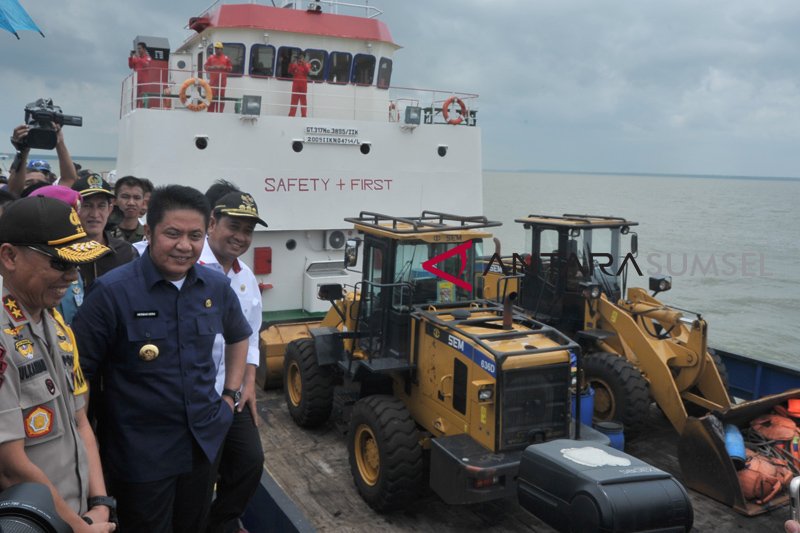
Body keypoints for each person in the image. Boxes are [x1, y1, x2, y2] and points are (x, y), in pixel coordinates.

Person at [72, 185, 252, 533]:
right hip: (139, 456)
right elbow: (79, 376)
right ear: (148, 231)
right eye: (173, 234)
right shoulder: (111, 293)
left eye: (195, 235)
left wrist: (229, 396)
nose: (184, 246)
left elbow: (239, 335)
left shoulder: (215, 288)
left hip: (202, 446)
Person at [0, 196, 115, 532]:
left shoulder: (56, 324)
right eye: (60, 264)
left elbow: (81, 421)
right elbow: (9, 466)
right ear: (9, 256)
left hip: (76, 514)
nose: (71, 276)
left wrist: (100, 505)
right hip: (33, 521)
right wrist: (81, 529)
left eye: (76, 265)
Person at [201, 186, 267, 533]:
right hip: (196, 393)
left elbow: (252, 334)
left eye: (248, 230)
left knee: (250, 461)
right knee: (202, 470)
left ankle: (222, 520)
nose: (241, 237)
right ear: (212, 222)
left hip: (233, 389)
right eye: (234, 227)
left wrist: (250, 384)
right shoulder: (191, 267)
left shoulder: (245, 278)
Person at [72, 174, 138, 287]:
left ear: (110, 209)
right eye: (87, 205)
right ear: (74, 209)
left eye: (101, 206)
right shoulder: (62, 252)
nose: (95, 214)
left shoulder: (126, 252)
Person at [7, 123, 79, 195]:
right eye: (28, 183)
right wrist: (23, 150)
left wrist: (59, 142)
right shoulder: (18, 202)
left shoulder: (54, 198)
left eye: (41, 183)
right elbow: (13, 191)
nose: (35, 185)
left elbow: (69, 179)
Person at [109, 175, 146, 243]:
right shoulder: (104, 232)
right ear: (114, 201)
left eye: (137, 198)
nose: (131, 203)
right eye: (125, 197)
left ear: (143, 203)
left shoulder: (148, 235)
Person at [205, 42, 233, 113]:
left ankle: (220, 113)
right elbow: (205, 67)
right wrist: (213, 67)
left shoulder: (226, 59)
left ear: (221, 49)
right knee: (211, 98)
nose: (217, 50)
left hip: (222, 83)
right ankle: (210, 113)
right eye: (216, 48)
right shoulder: (211, 58)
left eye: (218, 48)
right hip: (213, 83)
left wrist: (224, 68)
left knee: (221, 98)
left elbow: (230, 68)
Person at [128, 42, 152, 109]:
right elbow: (131, 66)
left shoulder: (148, 58)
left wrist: (138, 58)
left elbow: (146, 65)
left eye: (139, 48)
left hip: (144, 83)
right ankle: (134, 110)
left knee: (144, 99)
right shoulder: (136, 58)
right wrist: (130, 57)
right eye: (137, 49)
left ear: (144, 49)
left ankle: (145, 111)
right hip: (136, 83)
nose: (138, 50)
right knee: (135, 99)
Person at [288, 52, 311, 117]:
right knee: (293, 101)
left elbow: (307, 71)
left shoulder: (307, 64)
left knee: (303, 102)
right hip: (295, 85)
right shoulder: (295, 65)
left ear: (304, 58)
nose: (300, 59)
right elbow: (290, 71)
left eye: (301, 58)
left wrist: (303, 63)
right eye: (299, 58)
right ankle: (291, 115)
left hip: (303, 86)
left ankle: (304, 115)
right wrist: (292, 63)